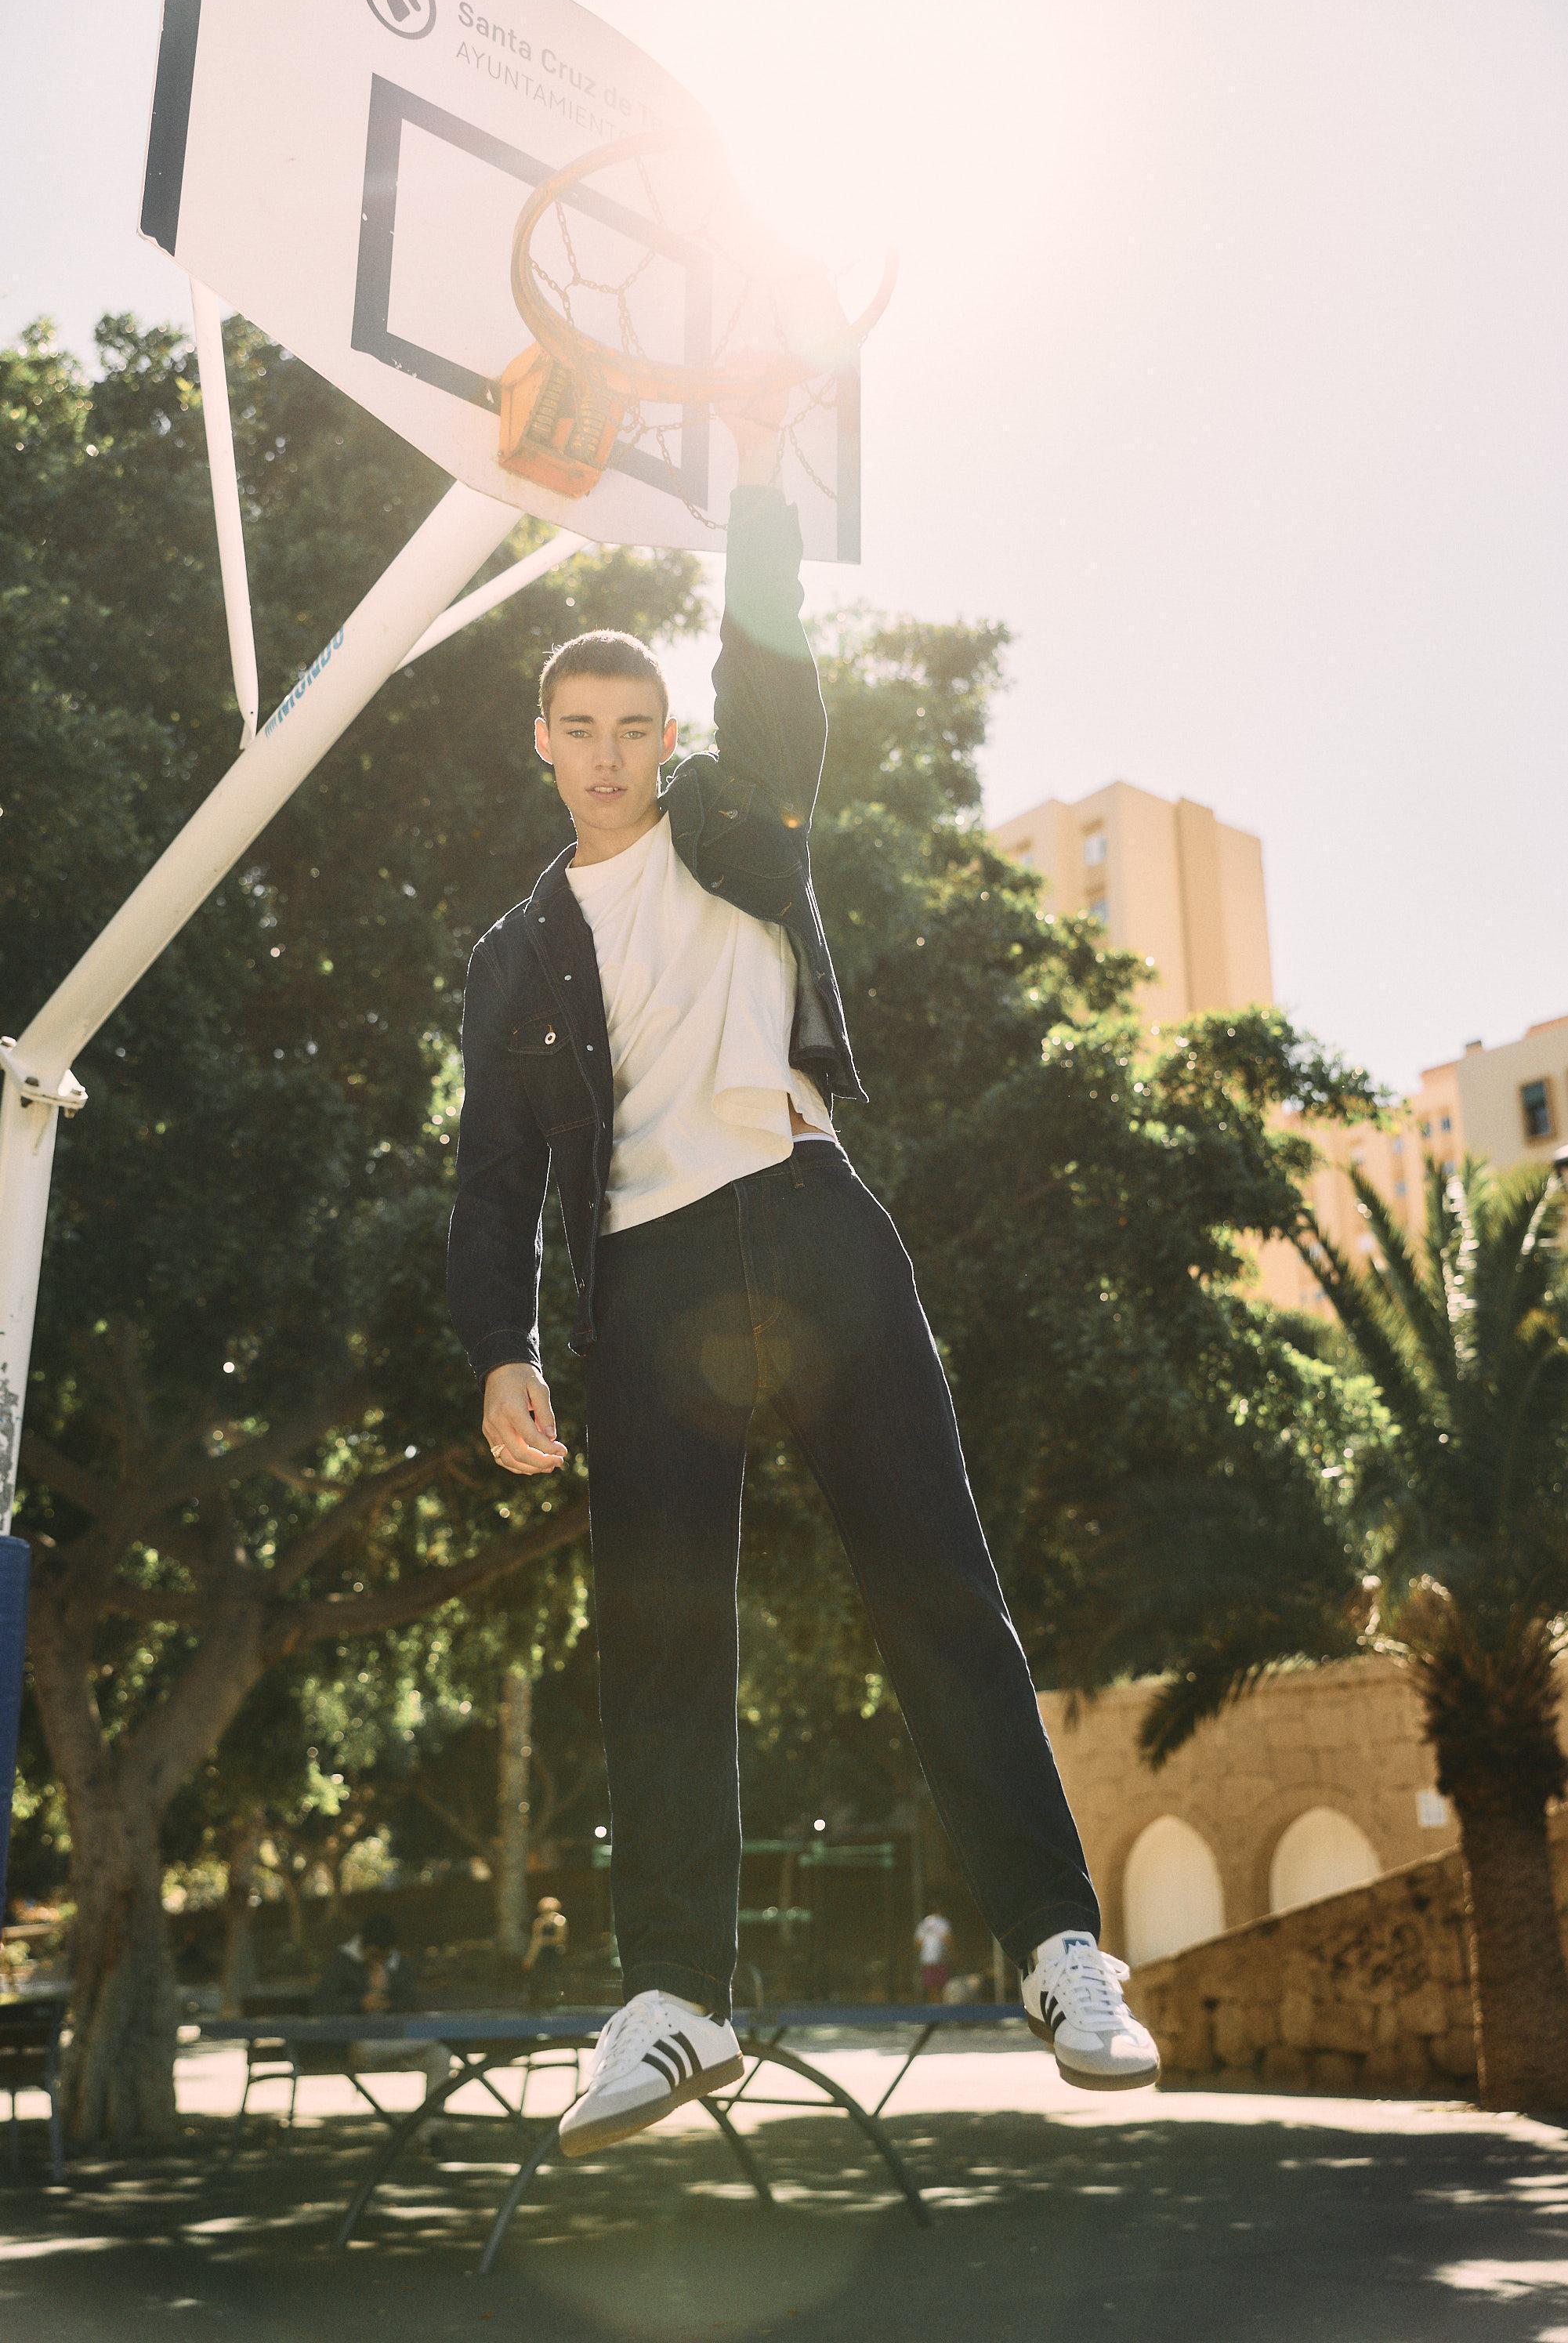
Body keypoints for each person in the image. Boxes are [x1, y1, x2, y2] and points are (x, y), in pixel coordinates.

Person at [446, 377, 1159, 2160]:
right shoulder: (513, 952)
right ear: (537, 742)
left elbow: (774, 667)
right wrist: (496, 1345)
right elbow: (490, 1176)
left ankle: (1058, 1941)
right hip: (641, 1284)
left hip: (809, 1219)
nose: (605, 752)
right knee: (660, 1646)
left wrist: (757, 477)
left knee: (935, 1583)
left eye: (633, 724)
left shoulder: (734, 814)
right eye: (575, 728)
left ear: (666, 730)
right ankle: (675, 1998)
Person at [310, 1909, 452, 2137]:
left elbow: (411, 2005)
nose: (379, 1959)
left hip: (399, 2043)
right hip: (360, 2047)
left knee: (440, 2055)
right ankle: (439, 2033)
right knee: (369, 2047)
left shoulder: (397, 1965)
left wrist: (387, 1997)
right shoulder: (342, 1962)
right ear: (364, 1947)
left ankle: (430, 2132)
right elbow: (321, 2006)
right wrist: (360, 2004)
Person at [523, 1894, 568, 2003]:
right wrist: (530, 1957)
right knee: (539, 1975)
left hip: (554, 1952)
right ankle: (538, 1998)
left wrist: (544, 1941)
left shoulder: (560, 1920)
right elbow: (535, 1941)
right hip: (542, 1953)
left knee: (553, 1976)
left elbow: (560, 1939)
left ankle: (554, 1997)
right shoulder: (539, 1922)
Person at [914, 1910, 954, 2003]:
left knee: (931, 1986)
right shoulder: (943, 1922)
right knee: (943, 1985)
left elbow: (917, 1941)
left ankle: (934, 2007)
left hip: (927, 1958)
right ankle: (941, 2007)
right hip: (940, 1957)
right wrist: (953, 1952)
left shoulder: (924, 1922)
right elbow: (947, 1938)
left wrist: (926, 1950)